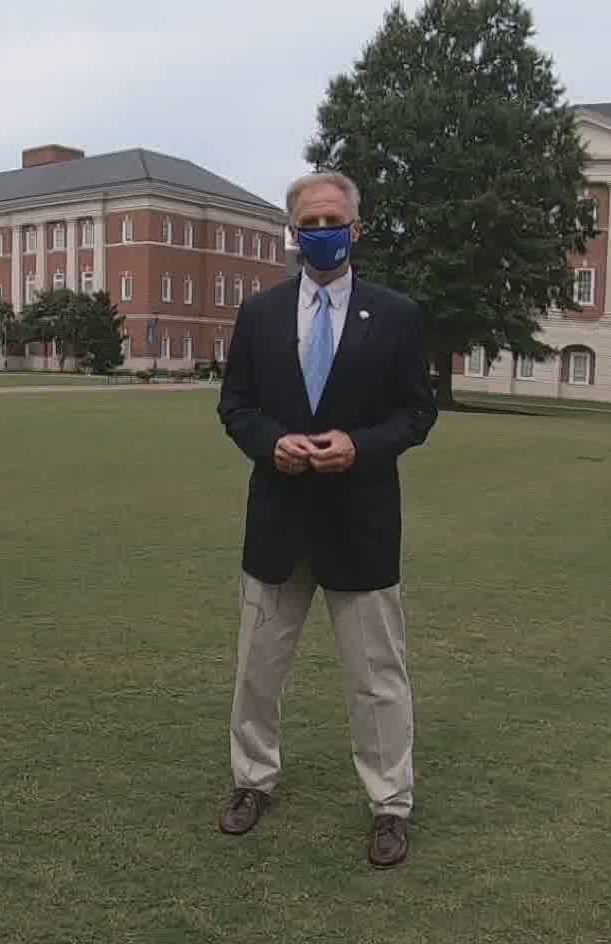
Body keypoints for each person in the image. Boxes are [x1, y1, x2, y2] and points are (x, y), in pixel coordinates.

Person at [214, 169, 438, 869]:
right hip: (278, 524)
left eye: (333, 221)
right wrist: (269, 443)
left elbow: (416, 413)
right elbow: (237, 407)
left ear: (357, 228)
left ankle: (389, 804)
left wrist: (360, 447)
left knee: (377, 677)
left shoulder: (397, 316)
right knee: (257, 670)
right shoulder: (259, 314)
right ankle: (252, 780)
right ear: (293, 231)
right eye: (309, 223)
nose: (322, 233)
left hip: (361, 524)